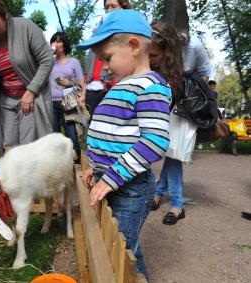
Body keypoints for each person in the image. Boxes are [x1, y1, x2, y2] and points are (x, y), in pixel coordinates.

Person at [78, 10, 172, 279]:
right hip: (114, 181)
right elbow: (111, 133)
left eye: (107, 58)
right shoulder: (123, 84)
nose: (105, 66)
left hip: (130, 190)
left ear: (133, 46)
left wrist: (110, 179)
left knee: (120, 254)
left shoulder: (150, 86)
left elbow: (154, 142)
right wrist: (94, 168)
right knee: (125, 248)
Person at [152, 22, 212, 225]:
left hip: (186, 102)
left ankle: (177, 204)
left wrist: (190, 92)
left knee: (175, 152)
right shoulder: (158, 49)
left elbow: (205, 73)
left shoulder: (194, 45)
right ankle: (159, 191)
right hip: (167, 98)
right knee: (171, 150)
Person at [0, 0, 54, 148]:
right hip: (6, 102)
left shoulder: (25, 27)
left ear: (4, 15)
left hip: (30, 99)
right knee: (9, 145)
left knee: (28, 146)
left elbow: (47, 60)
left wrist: (31, 91)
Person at [149, 21, 188, 225]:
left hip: (178, 116)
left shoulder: (176, 69)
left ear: (167, 51)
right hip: (166, 115)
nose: (150, 60)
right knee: (170, 155)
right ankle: (158, 193)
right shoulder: (155, 66)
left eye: (154, 56)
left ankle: (177, 204)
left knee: (173, 157)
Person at [83, 0, 132, 116]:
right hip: (92, 87)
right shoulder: (99, 30)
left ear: (123, 7)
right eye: (107, 7)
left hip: (115, 88)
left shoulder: (129, 30)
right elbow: (91, 61)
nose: (109, 10)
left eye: (113, 6)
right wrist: (83, 92)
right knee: (92, 125)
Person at [49, 31, 85, 162]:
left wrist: (70, 83)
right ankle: (58, 164)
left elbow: (82, 83)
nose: (56, 44)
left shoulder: (73, 62)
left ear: (65, 44)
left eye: (59, 41)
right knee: (54, 135)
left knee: (71, 134)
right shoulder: (48, 62)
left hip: (69, 102)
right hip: (51, 103)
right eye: (54, 41)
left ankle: (76, 164)